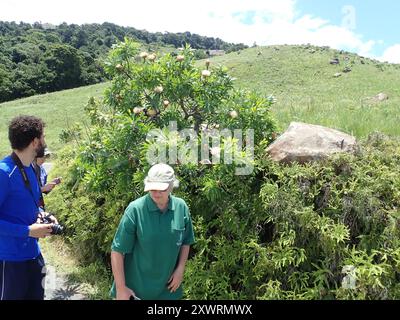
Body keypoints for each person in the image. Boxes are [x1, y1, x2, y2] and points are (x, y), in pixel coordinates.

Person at [110, 163, 195, 300]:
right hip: (133, 291)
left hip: (168, 290)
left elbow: (185, 241)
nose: (156, 193)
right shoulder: (135, 210)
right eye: (152, 188)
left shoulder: (181, 207)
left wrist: (180, 269)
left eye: (161, 189)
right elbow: (117, 250)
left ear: (171, 186)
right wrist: (121, 289)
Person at [0, 115, 58, 300]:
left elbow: (31, 206)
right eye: (43, 137)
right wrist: (27, 231)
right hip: (10, 261)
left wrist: (44, 215)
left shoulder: (30, 169)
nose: (44, 142)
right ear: (35, 142)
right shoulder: (4, 173)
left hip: (33, 255)